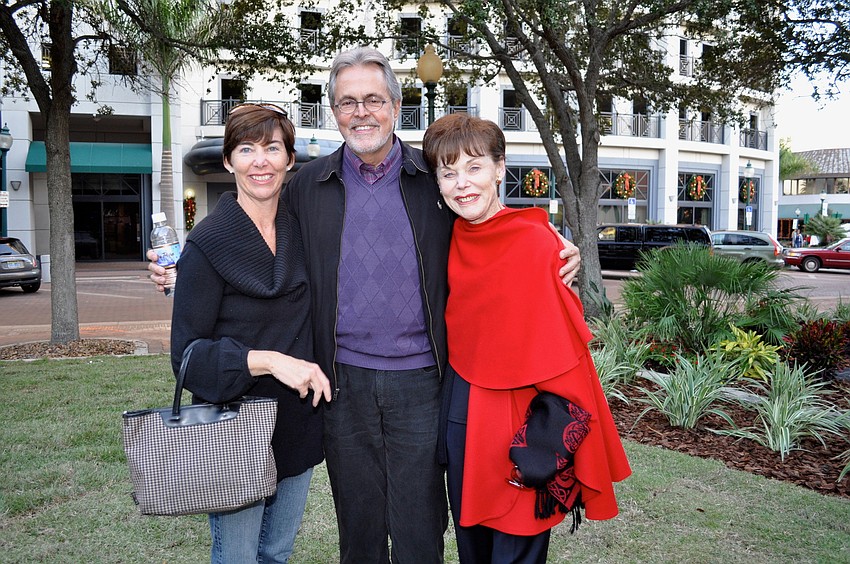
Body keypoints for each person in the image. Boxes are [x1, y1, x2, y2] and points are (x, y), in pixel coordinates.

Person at [150, 46, 581, 563]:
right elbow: (249, 235)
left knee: (421, 532)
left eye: (373, 99)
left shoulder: (434, 178)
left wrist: (547, 239)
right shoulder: (307, 186)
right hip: (340, 383)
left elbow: (483, 209)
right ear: (334, 112)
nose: (361, 112)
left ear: (396, 107)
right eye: (347, 102)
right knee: (359, 533)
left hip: (424, 382)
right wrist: (178, 268)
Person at [422, 113, 631, 563]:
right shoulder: (449, 235)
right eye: (448, 172)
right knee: (472, 550)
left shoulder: (537, 243)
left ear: (500, 169)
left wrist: (570, 443)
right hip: (465, 417)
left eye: (474, 167)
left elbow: (565, 353)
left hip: (524, 425)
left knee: (517, 553)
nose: (462, 184)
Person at [169, 102, 332, 563]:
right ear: (228, 161)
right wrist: (269, 360)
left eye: (272, 148)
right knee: (238, 557)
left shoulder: (302, 229)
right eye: (246, 149)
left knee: (276, 554)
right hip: (234, 429)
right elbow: (187, 357)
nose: (260, 161)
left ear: (289, 160)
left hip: (297, 423)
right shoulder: (207, 244)